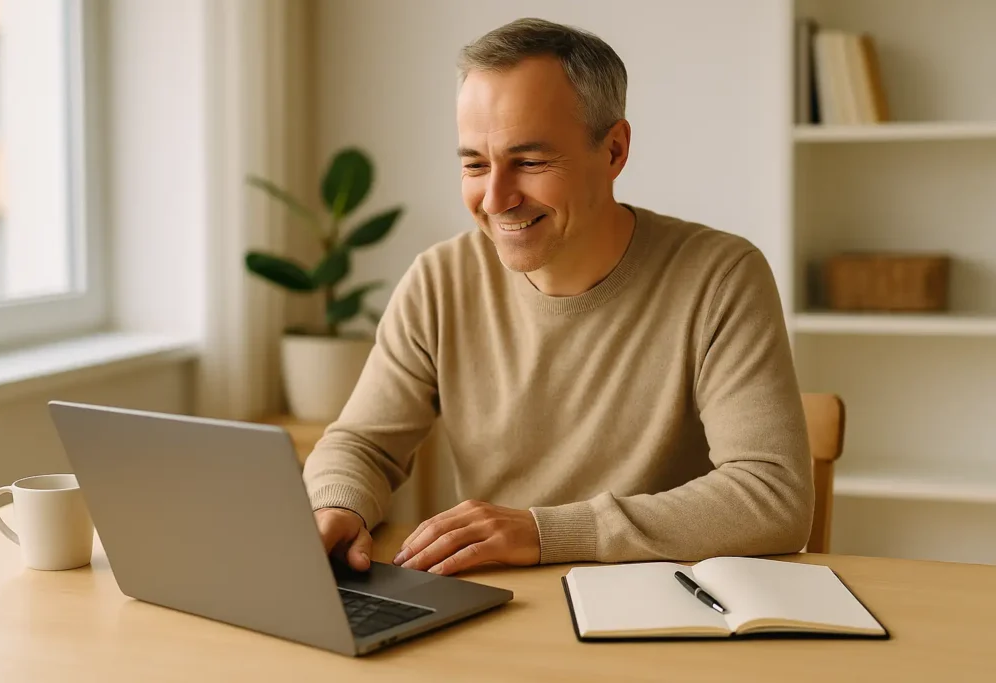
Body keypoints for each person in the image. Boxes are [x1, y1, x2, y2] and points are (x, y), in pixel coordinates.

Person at [305, 17, 814, 577]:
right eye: (475, 165)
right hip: (499, 601)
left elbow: (772, 496)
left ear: (614, 150)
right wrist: (338, 505)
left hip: (662, 601)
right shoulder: (439, 280)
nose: (495, 199)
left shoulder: (719, 277)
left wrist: (547, 532)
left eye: (529, 162)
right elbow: (363, 444)